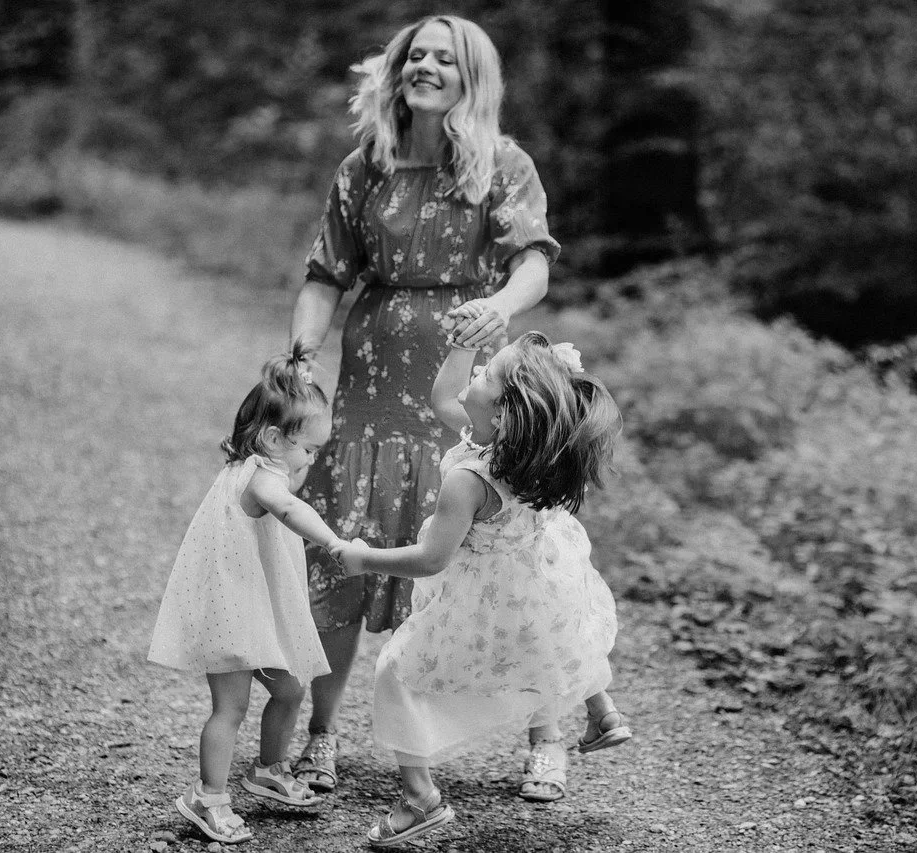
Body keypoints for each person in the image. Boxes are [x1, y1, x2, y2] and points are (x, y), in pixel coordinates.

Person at [287, 13, 565, 800]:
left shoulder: (503, 165)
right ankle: (320, 736)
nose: (427, 66)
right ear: (396, 70)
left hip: (463, 382)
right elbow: (323, 273)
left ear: (471, 78)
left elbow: (533, 264)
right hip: (370, 384)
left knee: (504, 561)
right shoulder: (364, 166)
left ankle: (548, 739)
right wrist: (303, 347)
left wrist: (502, 308)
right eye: (417, 55)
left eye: (446, 58)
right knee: (341, 554)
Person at [336, 331, 633, 847]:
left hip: (485, 595)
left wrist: (365, 558)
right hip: (533, 579)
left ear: (500, 414)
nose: (475, 374)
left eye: (486, 373)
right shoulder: (528, 451)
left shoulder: (469, 478)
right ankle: (601, 711)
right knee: (551, 641)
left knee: (397, 672)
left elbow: (432, 558)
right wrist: (461, 346)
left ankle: (419, 799)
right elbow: (442, 398)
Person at [148, 343, 346, 845]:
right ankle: (208, 795)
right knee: (230, 708)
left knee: (289, 688)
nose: (313, 460)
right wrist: (334, 541)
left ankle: (268, 768)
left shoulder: (260, 464)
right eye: (309, 450)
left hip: (254, 604)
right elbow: (290, 511)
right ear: (275, 437)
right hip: (231, 611)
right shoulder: (262, 479)